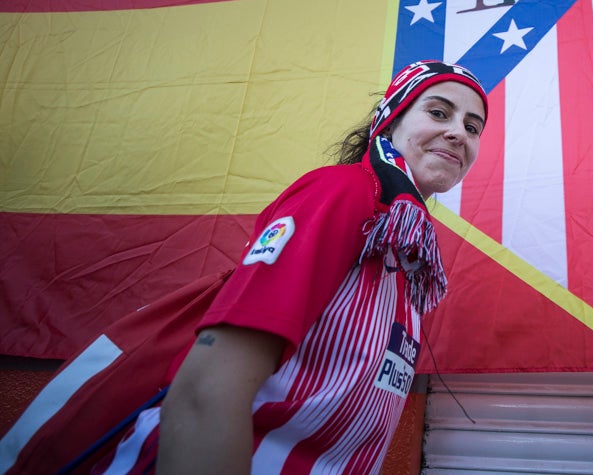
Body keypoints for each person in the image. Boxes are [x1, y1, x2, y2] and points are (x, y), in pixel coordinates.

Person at [95, 59, 488, 474]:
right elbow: (205, 391)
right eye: (439, 112)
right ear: (390, 119)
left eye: (473, 126)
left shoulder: (405, 248)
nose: (457, 133)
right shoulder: (344, 194)